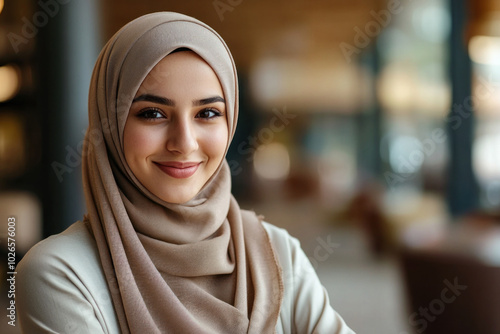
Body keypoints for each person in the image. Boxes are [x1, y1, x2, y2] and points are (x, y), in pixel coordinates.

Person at [16, 12, 354, 333]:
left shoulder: (277, 252)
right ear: (109, 124)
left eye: (207, 113)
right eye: (152, 113)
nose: (184, 142)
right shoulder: (60, 273)